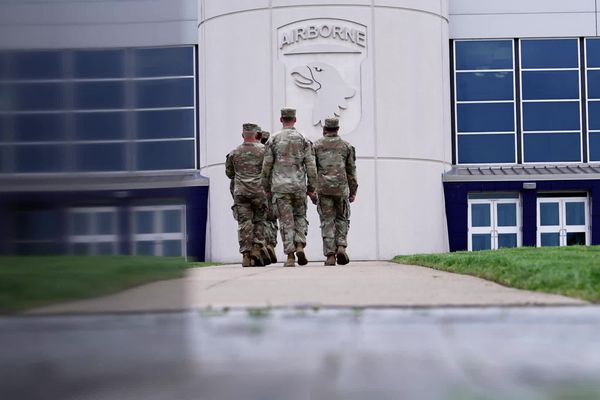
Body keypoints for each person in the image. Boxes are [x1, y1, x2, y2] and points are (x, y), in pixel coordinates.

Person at [262, 108, 317, 267]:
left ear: (281, 120)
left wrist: (266, 186)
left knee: (286, 221)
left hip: (280, 187)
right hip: (299, 186)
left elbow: (267, 166)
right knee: (300, 217)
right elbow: (311, 165)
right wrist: (311, 186)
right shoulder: (303, 139)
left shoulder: (273, 139)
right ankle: (300, 245)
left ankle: (291, 256)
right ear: (295, 120)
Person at [312, 117, 358, 266]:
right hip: (341, 188)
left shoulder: (316, 146)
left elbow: (312, 170)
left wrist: (312, 189)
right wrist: (353, 191)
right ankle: (341, 246)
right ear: (338, 129)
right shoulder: (346, 146)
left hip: (323, 188)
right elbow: (351, 171)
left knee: (327, 221)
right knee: (342, 219)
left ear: (325, 129)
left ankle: (330, 255)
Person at [225, 123, 270, 267]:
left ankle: (245, 254)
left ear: (243, 135)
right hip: (259, 192)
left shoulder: (234, 152)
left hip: (241, 192)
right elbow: (269, 171)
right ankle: (257, 248)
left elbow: (229, 173)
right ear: (257, 135)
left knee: (244, 223)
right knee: (259, 221)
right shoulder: (264, 151)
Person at [258, 128, 279, 264]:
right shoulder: (272, 153)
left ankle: (263, 244)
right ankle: (271, 244)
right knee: (272, 220)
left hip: (256, 191)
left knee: (259, 220)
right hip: (271, 190)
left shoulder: (254, 152)